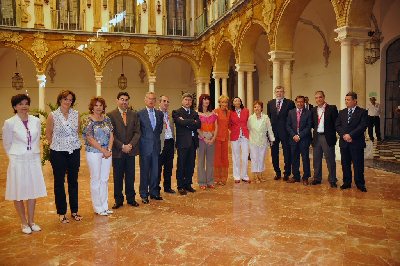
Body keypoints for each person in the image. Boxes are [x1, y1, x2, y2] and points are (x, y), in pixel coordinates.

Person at [2, 94, 47, 234]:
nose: (24, 106)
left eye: (26, 103)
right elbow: (7, 143)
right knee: (19, 191)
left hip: (33, 159)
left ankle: (31, 221)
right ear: (15, 107)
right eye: (20, 104)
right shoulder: (9, 122)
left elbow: (37, 138)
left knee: (33, 191)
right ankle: (23, 222)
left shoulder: (36, 121)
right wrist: (14, 157)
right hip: (18, 161)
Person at [46, 90, 82, 223]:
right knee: (59, 182)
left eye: (70, 99)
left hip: (74, 151)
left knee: (73, 181)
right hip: (58, 152)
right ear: (60, 100)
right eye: (65, 99)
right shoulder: (53, 115)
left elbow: (77, 132)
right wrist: (56, 146)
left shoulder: (76, 114)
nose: (68, 102)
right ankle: (61, 212)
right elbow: (48, 134)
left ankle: (74, 210)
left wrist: (70, 144)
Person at [107, 92, 141, 208]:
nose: (124, 102)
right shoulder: (111, 115)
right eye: (122, 99)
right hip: (118, 151)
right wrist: (122, 146)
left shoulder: (134, 114)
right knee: (118, 177)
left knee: (131, 176)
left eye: (126, 100)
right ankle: (118, 200)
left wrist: (130, 145)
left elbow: (137, 132)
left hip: (131, 151)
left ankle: (131, 199)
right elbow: (111, 134)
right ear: (117, 100)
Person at [82, 97, 114, 216]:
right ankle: (98, 207)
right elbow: (89, 138)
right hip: (94, 152)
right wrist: (102, 150)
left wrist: (109, 150)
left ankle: (104, 206)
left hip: (107, 152)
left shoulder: (107, 119)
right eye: (96, 105)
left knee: (104, 179)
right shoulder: (88, 120)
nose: (98, 107)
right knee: (95, 179)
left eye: (101, 105)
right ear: (92, 107)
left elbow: (111, 135)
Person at [336, 92, 368, 192]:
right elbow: (337, 125)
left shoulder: (362, 112)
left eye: (348, 100)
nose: (346, 102)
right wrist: (344, 135)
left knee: (358, 164)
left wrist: (351, 135)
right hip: (344, 142)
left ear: (355, 101)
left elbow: (362, 126)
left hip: (356, 142)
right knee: (345, 164)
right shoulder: (342, 112)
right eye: (345, 100)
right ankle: (347, 182)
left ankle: (360, 183)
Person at [172, 93, 201, 195]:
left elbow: (198, 124)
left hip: (193, 143)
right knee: (181, 165)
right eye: (186, 99)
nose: (188, 101)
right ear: (182, 100)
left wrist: (187, 122)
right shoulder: (176, 112)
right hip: (182, 143)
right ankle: (180, 186)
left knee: (190, 165)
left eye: (190, 100)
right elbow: (180, 123)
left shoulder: (194, 112)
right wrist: (192, 122)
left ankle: (188, 184)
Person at [137, 92, 164, 204]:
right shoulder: (139, 114)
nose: (151, 101)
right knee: (144, 171)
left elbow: (159, 130)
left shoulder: (159, 114)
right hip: (144, 147)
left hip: (156, 147)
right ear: (145, 100)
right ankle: (144, 194)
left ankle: (154, 192)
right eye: (149, 98)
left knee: (155, 171)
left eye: (153, 99)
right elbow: (138, 131)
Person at [310, 91, 338, 188]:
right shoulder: (313, 110)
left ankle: (333, 179)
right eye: (316, 98)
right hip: (317, 137)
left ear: (324, 97)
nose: (318, 99)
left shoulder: (332, 108)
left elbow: (336, 123)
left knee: (330, 159)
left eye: (320, 97)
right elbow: (313, 124)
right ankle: (317, 178)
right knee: (316, 159)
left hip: (327, 137)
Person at [267, 86, 295, 181]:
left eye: (281, 91)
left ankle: (287, 173)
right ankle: (277, 172)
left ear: (284, 92)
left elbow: (292, 118)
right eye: (277, 91)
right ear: (275, 92)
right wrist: (269, 134)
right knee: (274, 153)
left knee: (287, 153)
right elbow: (269, 119)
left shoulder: (290, 103)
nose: (279, 93)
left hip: (286, 132)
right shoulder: (270, 103)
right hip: (274, 133)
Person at [286, 95, 312, 185]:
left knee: (305, 158)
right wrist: (294, 135)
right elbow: (288, 125)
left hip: (304, 139)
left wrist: (299, 136)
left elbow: (309, 127)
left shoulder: (308, 113)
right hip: (293, 139)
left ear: (304, 102)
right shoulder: (291, 112)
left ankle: (306, 177)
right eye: (298, 102)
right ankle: (296, 176)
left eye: (302, 102)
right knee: (294, 158)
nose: (300, 103)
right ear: (296, 102)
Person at [247, 100, 275, 183]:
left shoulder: (266, 117)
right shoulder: (250, 118)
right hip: (253, 141)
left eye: (258, 107)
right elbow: (248, 128)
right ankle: (255, 176)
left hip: (263, 141)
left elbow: (269, 129)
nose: (256, 108)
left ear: (261, 108)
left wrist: (272, 139)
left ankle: (261, 175)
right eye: (255, 107)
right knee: (254, 158)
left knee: (261, 158)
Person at [197, 94, 218, 190]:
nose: (207, 101)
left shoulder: (213, 114)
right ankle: (202, 182)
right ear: (201, 101)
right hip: (201, 139)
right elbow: (197, 128)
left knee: (210, 162)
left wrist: (213, 138)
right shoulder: (197, 113)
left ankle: (210, 181)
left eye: (208, 99)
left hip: (211, 139)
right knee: (201, 161)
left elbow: (216, 127)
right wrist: (204, 138)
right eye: (205, 99)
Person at [229, 97, 250, 183]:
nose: (237, 102)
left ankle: (244, 175)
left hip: (245, 135)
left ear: (241, 102)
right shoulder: (230, 112)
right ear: (233, 103)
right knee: (236, 156)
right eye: (235, 100)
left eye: (238, 100)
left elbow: (248, 122)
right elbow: (228, 124)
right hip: (235, 136)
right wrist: (234, 129)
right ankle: (236, 176)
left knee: (245, 156)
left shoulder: (246, 111)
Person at [158, 95, 176, 194]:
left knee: (169, 167)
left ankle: (167, 187)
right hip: (161, 143)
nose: (166, 103)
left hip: (170, 142)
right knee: (158, 167)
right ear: (159, 102)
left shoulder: (170, 115)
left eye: (167, 101)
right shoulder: (156, 114)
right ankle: (156, 188)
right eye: (164, 101)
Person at [214, 95, 231, 185]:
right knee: (217, 158)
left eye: (226, 102)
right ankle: (217, 178)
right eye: (223, 102)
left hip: (225, 138)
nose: (224, 104)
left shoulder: (229, 112)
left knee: (225, 158)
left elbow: (230, 125)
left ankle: (224, 178)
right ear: (219, 103)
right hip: (217, 138)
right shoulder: (215, 111)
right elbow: (213, 124)